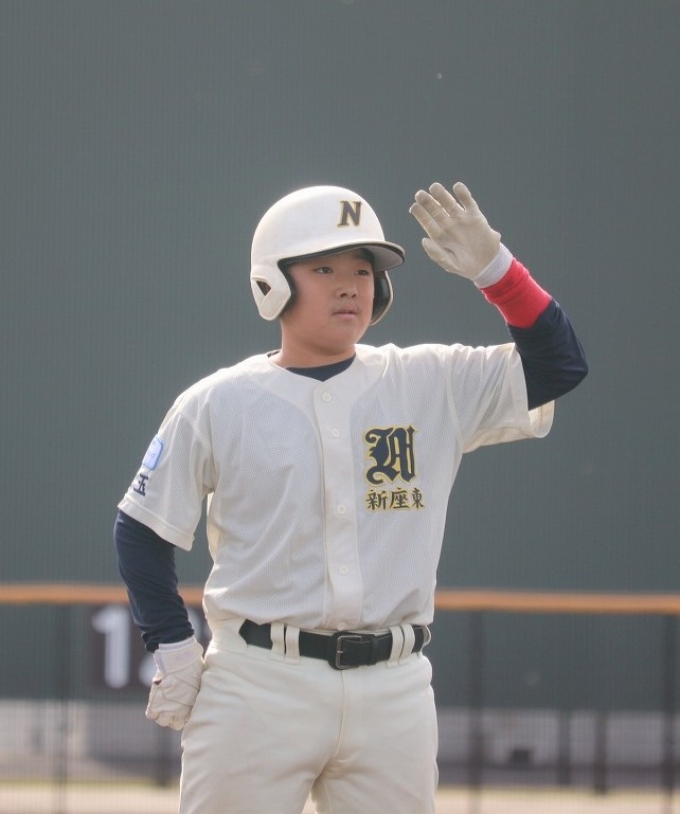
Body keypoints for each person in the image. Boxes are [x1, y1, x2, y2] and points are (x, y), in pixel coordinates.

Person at [114, 180, 587, 814]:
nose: (349, 286)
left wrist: (497, 271)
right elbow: (141, 528)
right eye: (324, 268)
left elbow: (560, 366)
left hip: (393, 685)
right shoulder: (217, 402)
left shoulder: (430, 380)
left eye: (363, 270)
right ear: (272, 283)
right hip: (258, 681)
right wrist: (173, 646)